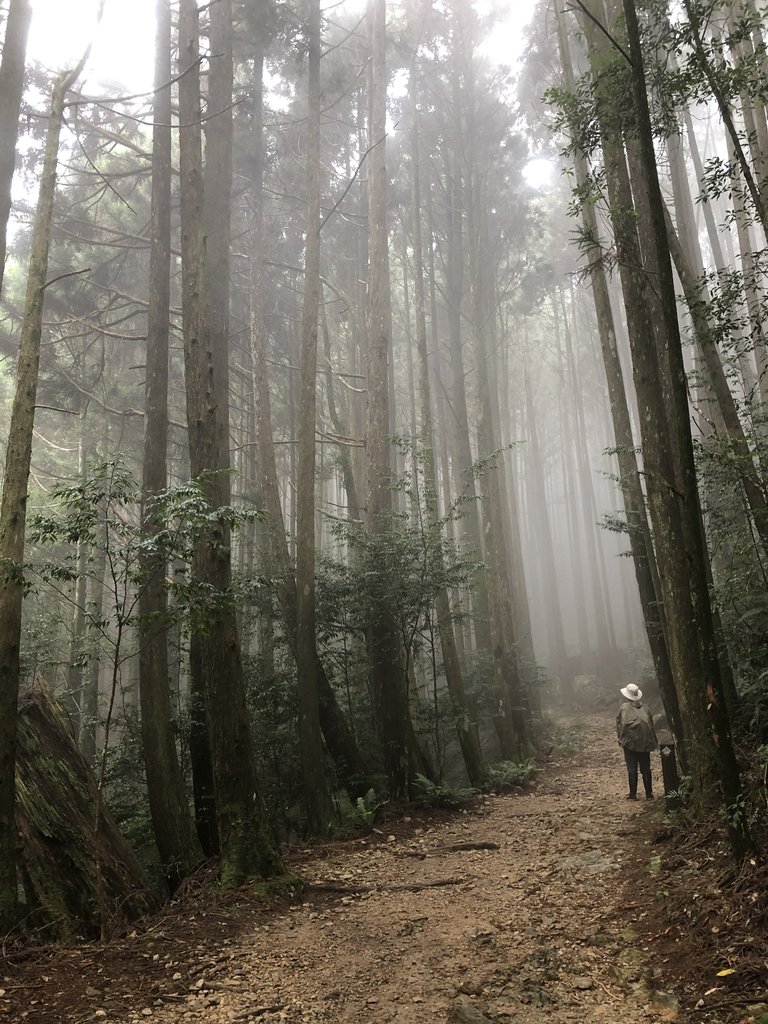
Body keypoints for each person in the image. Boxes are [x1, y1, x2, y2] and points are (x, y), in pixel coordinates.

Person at [616, 683, 657, 800]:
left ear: (626, 696)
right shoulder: (645, 708)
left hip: (629, 744)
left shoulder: (624, 707)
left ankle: (633, 794)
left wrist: (620, 738)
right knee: (646, 768)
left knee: (632, 768)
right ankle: (649, 794)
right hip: (645, 743)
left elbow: (619, 724)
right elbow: (651, 725)